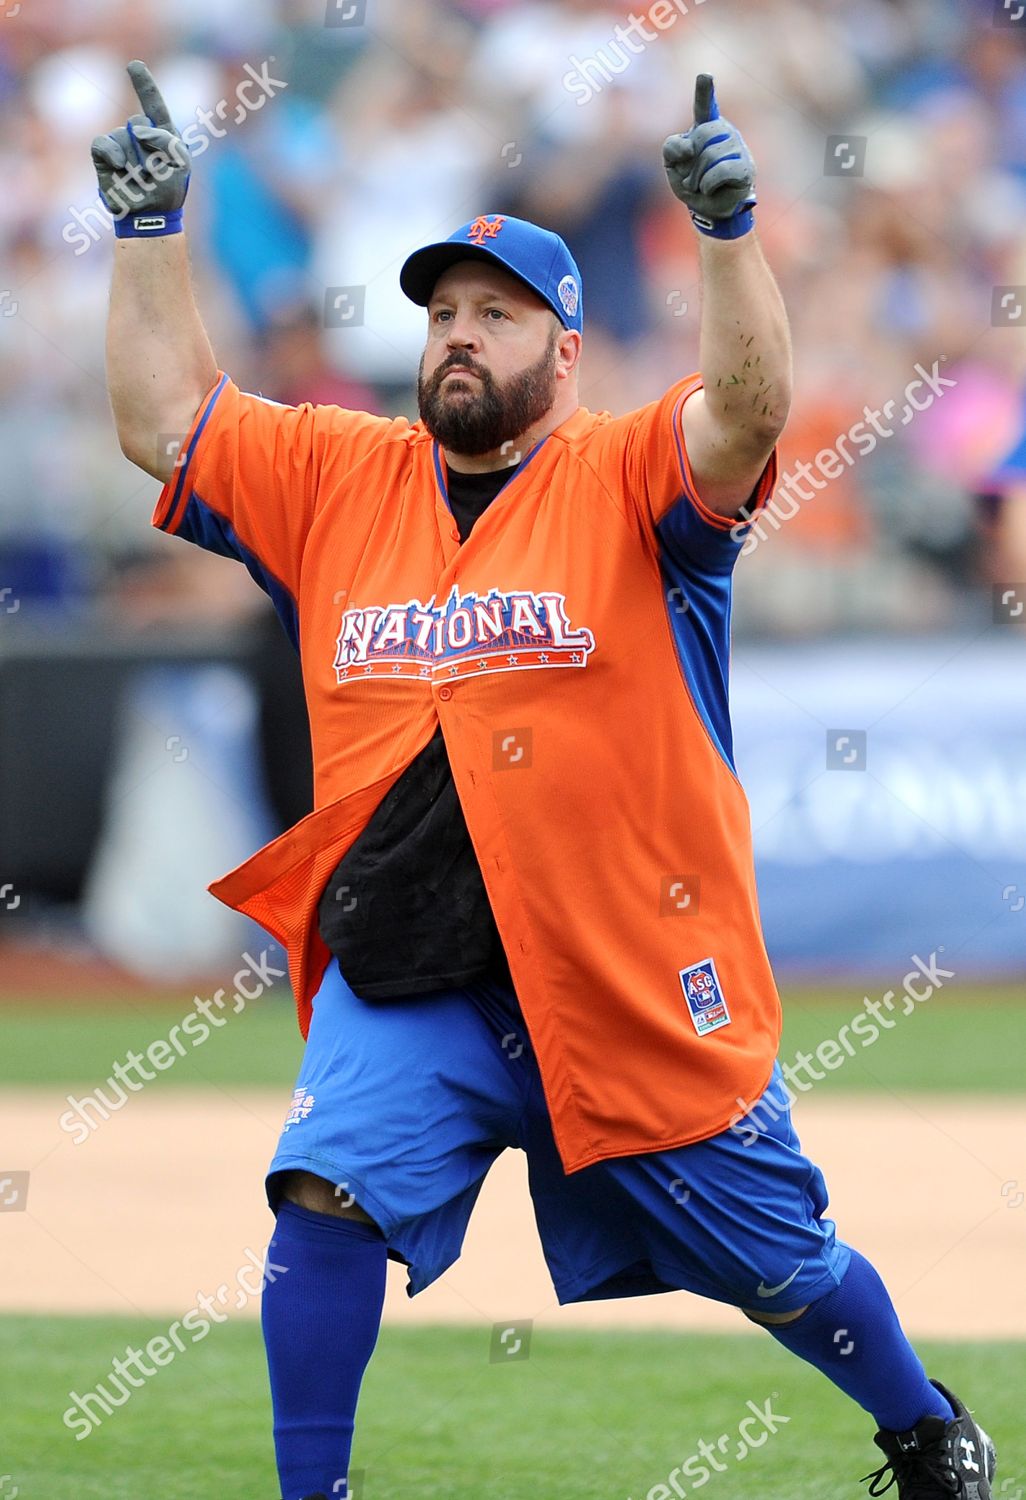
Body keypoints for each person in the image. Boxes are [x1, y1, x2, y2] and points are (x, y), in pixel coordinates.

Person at [92, 61, 996, 1500]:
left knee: (776, 1265)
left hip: (622, 963)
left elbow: (748, 407)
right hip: (421, 967)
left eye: (493, 315)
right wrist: (147, 238)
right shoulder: (338, 477)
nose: (456, 337)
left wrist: (727, 234)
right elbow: (166, 421)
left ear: (563, 351)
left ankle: (920, 1424)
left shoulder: (629, 472)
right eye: (441, 314)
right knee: (323, 1196)